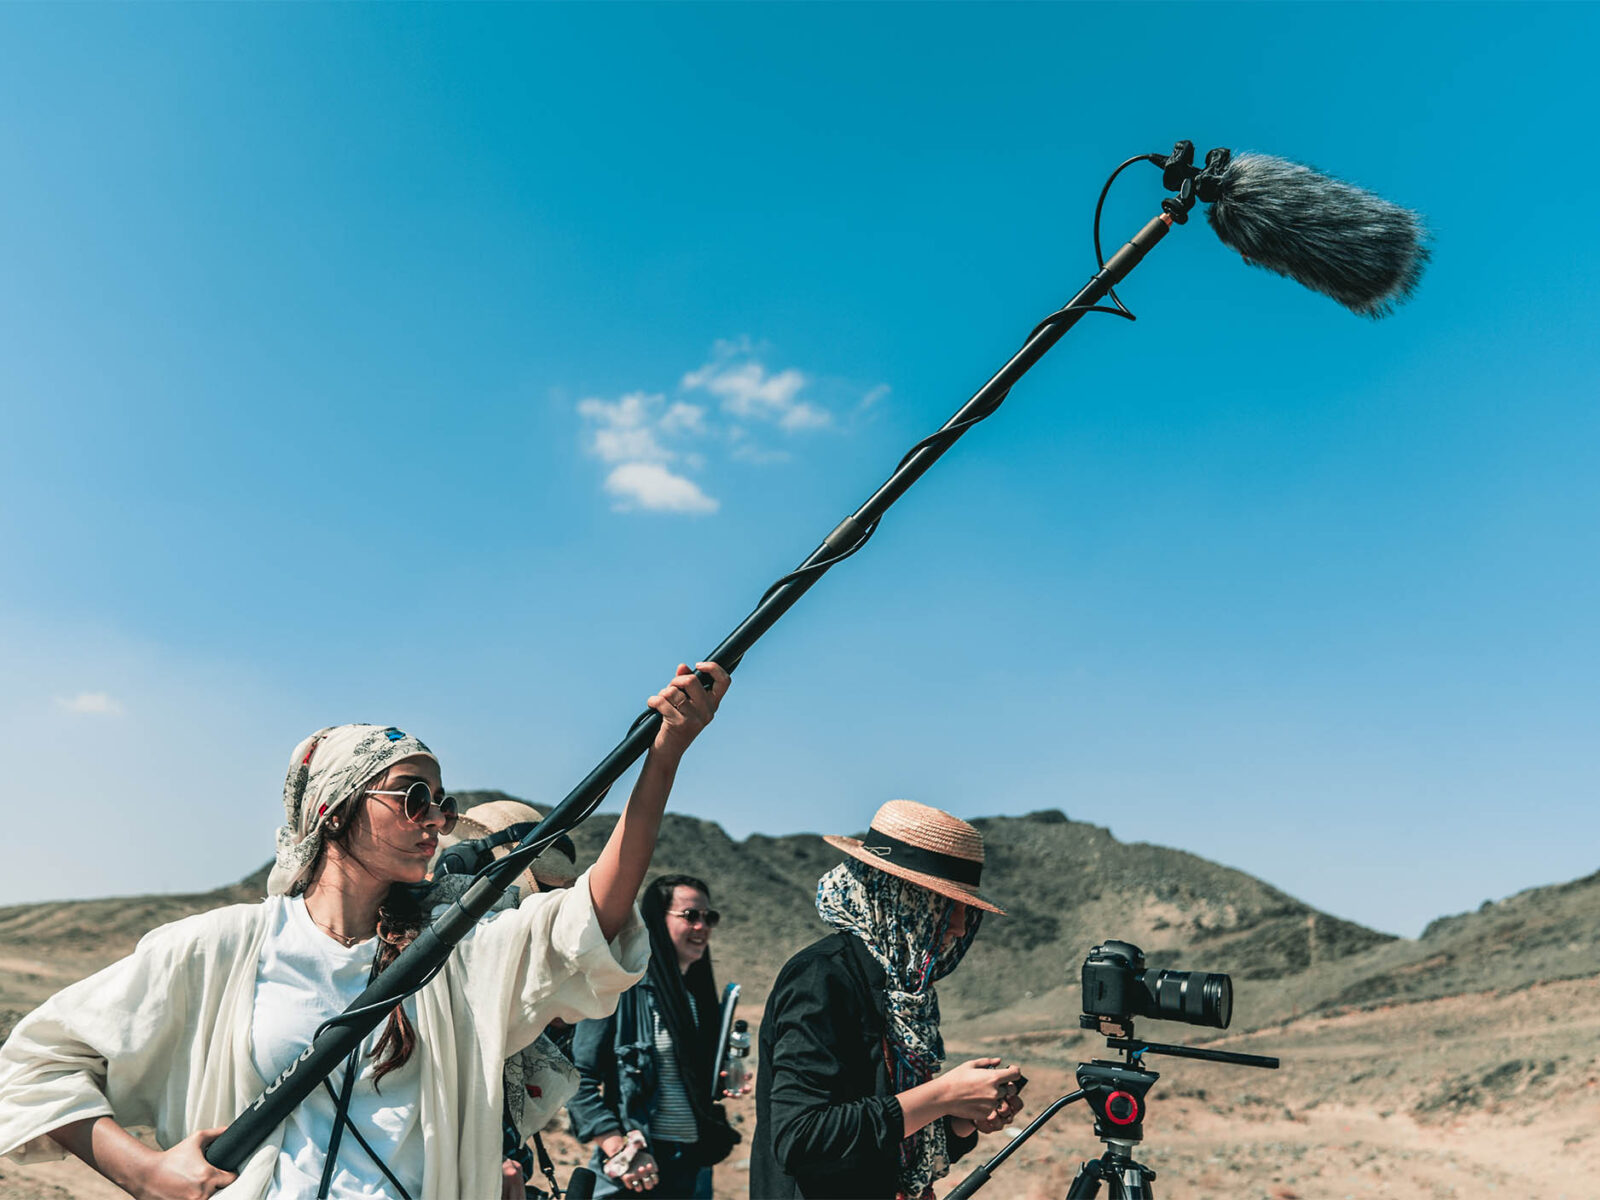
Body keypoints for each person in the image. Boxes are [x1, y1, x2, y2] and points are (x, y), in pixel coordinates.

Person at [0, 661, 730, 1200]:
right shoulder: (219, 949)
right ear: (336, 808)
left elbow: (589, 920)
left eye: (440, 802)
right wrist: (143, 1171)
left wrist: (664, 756)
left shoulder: (454, 957)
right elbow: (37, 1063)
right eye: (414, 796)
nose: (437, 819)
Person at [752, 800, 1025, 1200]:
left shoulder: (907, 992)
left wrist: (962, 1117)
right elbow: (801, 1137)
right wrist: (943, 1095)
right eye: (946, 905)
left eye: (967, 910)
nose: (959, 926)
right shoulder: (823, 977)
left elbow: (894, 1148)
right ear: (899, 898)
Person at [569, 874, 740, 1198]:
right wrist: (620, 1150)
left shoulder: (695, 999)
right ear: (657, 922)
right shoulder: (623, 987)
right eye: (690, 916)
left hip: (692, 1167)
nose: (702, 927)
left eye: (709, 917)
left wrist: (721, 1073)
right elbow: (578, 1078)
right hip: (637, 1169)